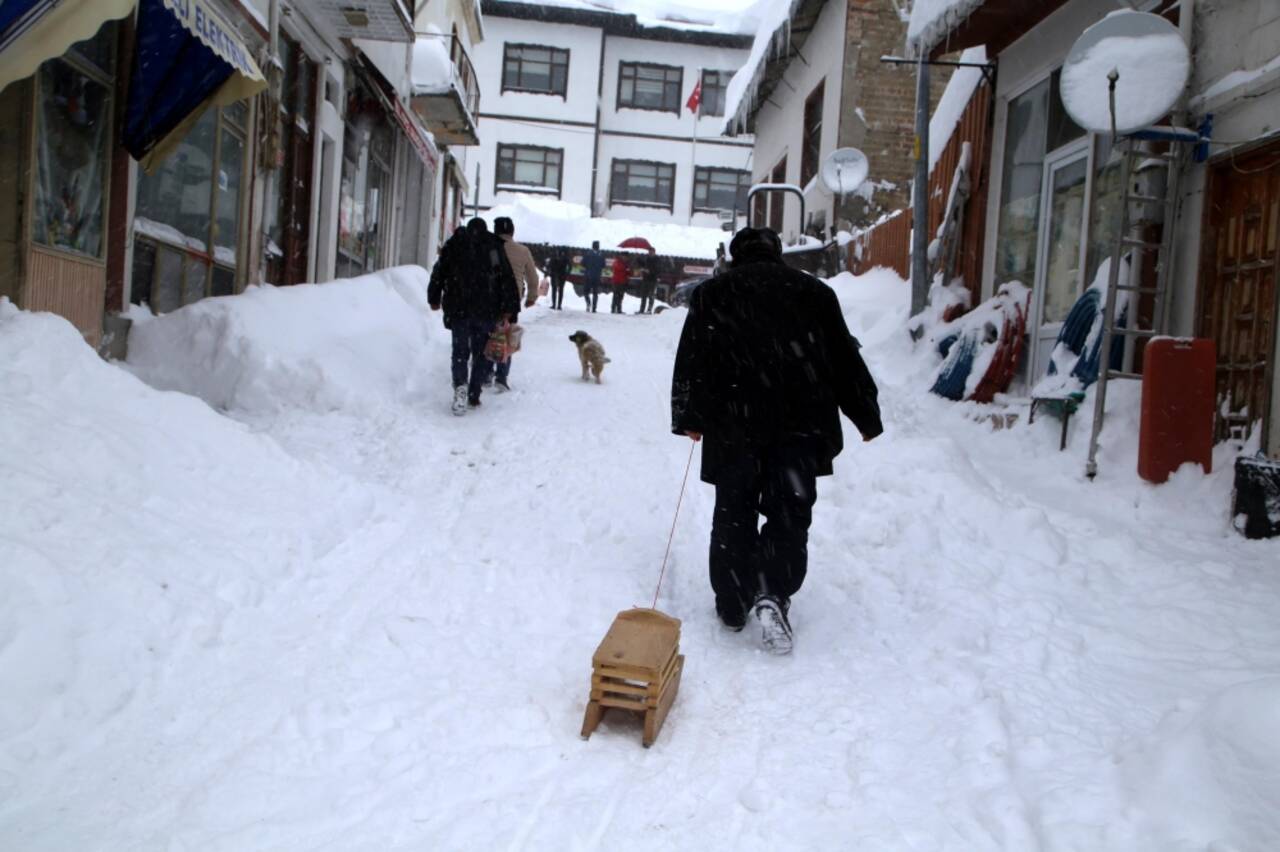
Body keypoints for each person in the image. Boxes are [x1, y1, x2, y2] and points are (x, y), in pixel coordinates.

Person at [670, 227, 883, 655]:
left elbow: (692, 359)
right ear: (777, 254)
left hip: (734, 427)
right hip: (799, 426)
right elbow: (843, 357)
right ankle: (772, 591)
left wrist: (688, 417)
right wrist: (865, 414)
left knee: (734, 510)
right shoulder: (814, 294)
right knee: (789, 511)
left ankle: (732, 602)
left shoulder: (714, 294)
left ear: (736, 256)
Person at [428, 218, 519, 415]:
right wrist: (509, 309)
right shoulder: (493, 247)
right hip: (486, 311)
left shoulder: (455, 245)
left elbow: (439, 272)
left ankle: (460, 387)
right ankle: (474, 392)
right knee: (481, 353)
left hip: (459, 309)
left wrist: (434, 298)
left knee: (460, 352)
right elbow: (505, 278)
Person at [492, 217, 539, 392]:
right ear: (512, 232)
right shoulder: (523, 250)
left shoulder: (489, 247)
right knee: (507, 334)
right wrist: (531, 297)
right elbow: (533, 277)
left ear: (495, 231)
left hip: (489, 298)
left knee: (488, 331)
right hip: (512, 300)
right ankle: (502, 376)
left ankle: (486, 370)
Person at [581, 241, 605, 312]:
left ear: (592, 246)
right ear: (598, 246)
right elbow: (603, 265)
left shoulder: (588, 254)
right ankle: (594, 308)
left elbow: (582, 263)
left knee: (586, 291)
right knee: (595, 293)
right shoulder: (601, 255)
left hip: (588, 275)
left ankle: (588, 303)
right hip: (597, 276)